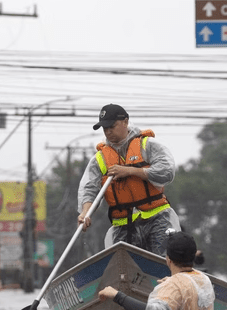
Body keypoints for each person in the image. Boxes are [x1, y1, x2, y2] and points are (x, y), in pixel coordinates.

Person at [77, 104, 180, 255]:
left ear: (125, 122)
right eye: (104, 128)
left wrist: (130, 171)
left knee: (163, 262)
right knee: (125, 270)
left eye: (112, 126)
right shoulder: (99, 159)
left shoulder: (147, 145)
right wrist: (85, 213)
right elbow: (89, 188)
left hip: (157, 219)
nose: (108, 131)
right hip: (123, 226)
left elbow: (167, 172)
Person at [98, 231, 218, 310]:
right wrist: (174, 283)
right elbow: (187, 296)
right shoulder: (204, 280)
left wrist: (117, 295)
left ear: (168, 259)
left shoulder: (173, 286)